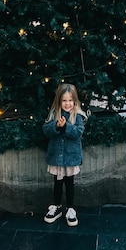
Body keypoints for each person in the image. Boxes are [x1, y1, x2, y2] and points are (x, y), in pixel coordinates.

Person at [42, 83, 86, 227]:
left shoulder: (77, 116)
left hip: (70, 157)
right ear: (59, 101)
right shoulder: (54, 114)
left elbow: (78, 133)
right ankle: (57, 206)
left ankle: (71, 208)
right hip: (57, 156)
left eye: (70, 100)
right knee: (57, 182)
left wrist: (66, 126)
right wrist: (56, 126)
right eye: (64, 100)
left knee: (69, 182)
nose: (67, 104)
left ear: (75, 101)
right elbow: (46, 130)